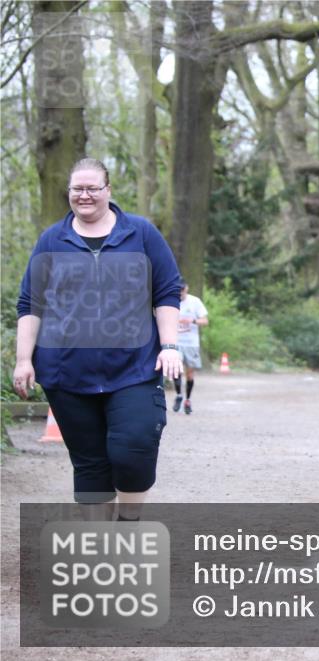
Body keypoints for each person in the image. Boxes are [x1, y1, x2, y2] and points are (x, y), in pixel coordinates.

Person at [13, 157, 183, 520]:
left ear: (108, 190)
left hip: (134, 368)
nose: (84, 195)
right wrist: (23, 359)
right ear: (69, 193)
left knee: (133, 447)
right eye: (77, 188)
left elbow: (166, 291)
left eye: (92, 188)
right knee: (90, 465)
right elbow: (31, 302)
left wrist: (169, 346)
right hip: (66, 372)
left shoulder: (140, 234)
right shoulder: (52, 240)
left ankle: (128, 522)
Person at [173, 282, 208, 414]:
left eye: (182, 291)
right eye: (179, 291)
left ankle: (188, 400)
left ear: (186, 289)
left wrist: (191, 321)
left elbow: (205, 321)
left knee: (190, 373)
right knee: (176, 370)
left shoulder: (195, 301)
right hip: (176, 342)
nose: (180, 293)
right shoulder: (172, 301)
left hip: (191, 343)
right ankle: (178, 396)